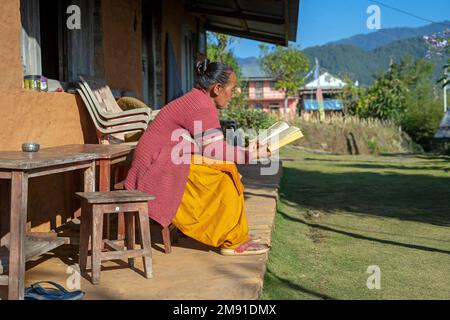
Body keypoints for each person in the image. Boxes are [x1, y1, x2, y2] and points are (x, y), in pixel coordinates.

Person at [125, 60, 270, 255]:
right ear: (217, 88)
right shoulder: (200, 104)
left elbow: (212, 146)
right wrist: (251, 154)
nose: (233, 94)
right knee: (224, 179)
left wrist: (247, 151)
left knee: (226, 169)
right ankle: (232, 240)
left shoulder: (198, 99)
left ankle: (234, 233)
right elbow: (214, 149)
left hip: (167, 159)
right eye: (232, 88)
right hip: (156, 166)